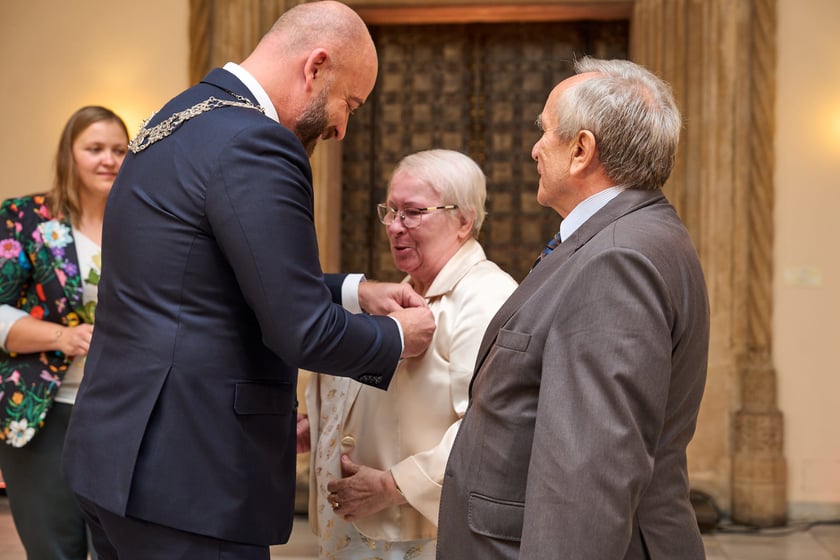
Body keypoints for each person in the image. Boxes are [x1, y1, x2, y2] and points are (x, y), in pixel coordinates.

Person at [60, 2, 435, 559]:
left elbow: (204, 277)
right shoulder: (256, 142)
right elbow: (303, 332)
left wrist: (354, 291)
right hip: (192, 482)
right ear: (316, 67)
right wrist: (401, 336)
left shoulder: (177, 117)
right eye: (348, 103)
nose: (340, 127)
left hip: (117, 461)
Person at [436, 57, 710, 559]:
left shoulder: (618, 259)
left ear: (582, 149)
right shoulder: (625, 236)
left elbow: (589, 472)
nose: (534, 149)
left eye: (544, 132)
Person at [301, 149, 517, 559]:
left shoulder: (487, 297)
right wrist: (318, 425)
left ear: (464, 220)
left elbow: (487, 430)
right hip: (361, 534)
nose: (395, 227)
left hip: (427, 537)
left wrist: (390, 486)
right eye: (391, 211)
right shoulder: (403, 292)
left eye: (413, 212)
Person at [0, 105, 129, 559]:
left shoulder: (143, 224)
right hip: (42, 409)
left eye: (119, 149)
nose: (108, 160)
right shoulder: (24, 219)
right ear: (68, 156)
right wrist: (61, 337)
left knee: (121, 547)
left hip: (124, 409)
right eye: (94, 149)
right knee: (54, 548)